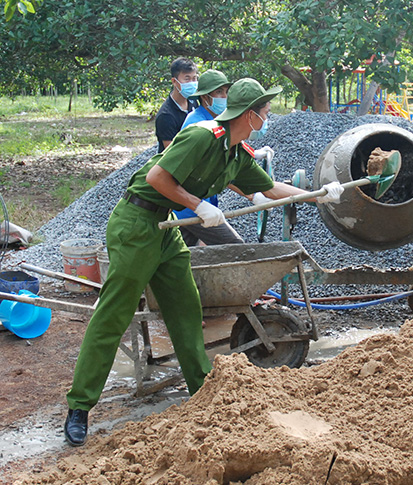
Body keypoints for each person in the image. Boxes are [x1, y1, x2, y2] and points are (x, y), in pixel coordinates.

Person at [63, 78, 344, 447]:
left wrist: (319, 195)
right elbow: (156, 177)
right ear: (249, 114)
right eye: (265, 108)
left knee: (185, 308)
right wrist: (197, 204)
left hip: (167, 231)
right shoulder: (201, 137)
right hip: (136, 224)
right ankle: (79, 406)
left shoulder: (236, 152)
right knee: (115, 313)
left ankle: (202, 394)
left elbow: (270, 189)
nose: (269, 113)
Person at [175, 69, 274, 247]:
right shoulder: (197, 124)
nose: (224, 97)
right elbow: (216, 170)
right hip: (190, 205)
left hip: (200, 203)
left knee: (193, 253)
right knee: (233, 246)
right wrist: (252, 195)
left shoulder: (220, 121)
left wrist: (251, 153)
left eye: (226, 92)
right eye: (219, 92)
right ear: (205, 97)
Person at [154, 57, 199, 153]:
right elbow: (171, 152)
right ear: (174, 81)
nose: (192, 83)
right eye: (187, 79)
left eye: (194, 79)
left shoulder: (194, 102)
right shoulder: (166, 115)